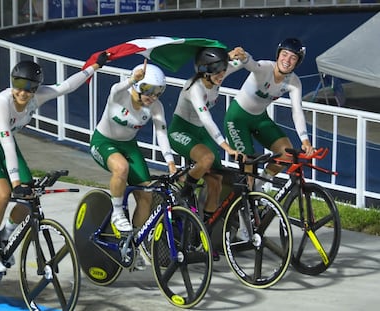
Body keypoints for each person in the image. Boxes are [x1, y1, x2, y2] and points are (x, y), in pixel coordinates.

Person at [0, 52, 108, 273]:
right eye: (18, 84)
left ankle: (4, 236)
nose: (22, 92)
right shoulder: (1, 104)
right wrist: (16, 183)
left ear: (36, 89)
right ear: (12, 82)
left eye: (29, 87)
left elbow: (66, 86)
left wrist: (94, 67)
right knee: (3, 195)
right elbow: (7, 146)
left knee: (29, 197)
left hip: (6, 147)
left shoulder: (36, 97)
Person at [90, 60, 176, 269]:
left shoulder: (155, 106)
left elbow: (161, 132)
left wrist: (170, 162)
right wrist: (132, 79)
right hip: (103, 142)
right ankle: (118, 213)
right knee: (121, 168)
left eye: (158, 92)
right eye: (148, 90)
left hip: (129, 147)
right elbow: (117, 87)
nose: (152, 97)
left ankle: (131, 244)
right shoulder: (119, 95)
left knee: (146, 195)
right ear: (138, 86)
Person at [167, 46, 245, 257]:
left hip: (200, 133)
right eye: (217, 72)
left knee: (216, 182)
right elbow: (207, 120)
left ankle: (206, 231)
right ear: (204, 71)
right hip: (180, 130)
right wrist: (225, 146)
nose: (221, 76)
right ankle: (184, 189)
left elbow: (243, 63)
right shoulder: (194, 88)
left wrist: (240, 55)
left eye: (222, 71)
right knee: (207, 158)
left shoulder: (216, 73)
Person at [224, 38, 314, 190]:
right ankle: (244, 207)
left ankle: (258, 188)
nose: (287, 60)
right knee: (248, 166)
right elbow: (252, 64)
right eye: (284, 55)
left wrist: (305, 140)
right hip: (237, 118)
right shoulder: (266, 67)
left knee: (287, 155)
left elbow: (297, 111)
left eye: (293, 58)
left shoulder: (294, 82)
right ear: (278, 55)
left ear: (297, 62)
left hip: (259, 118)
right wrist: (244, 56)